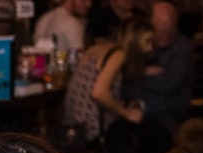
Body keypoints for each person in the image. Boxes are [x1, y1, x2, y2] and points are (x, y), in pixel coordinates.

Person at [108, 1, 193, 153]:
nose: (163, 35)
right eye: (159, 30)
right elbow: (127, 85)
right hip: (137, 111)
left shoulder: (183, 48)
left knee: (153, 139)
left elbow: (169, 85)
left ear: (176, 26)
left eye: (169, 30)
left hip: (168, 114)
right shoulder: (145, 44)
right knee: (116, 133)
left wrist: (141, 78)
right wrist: (143, 77)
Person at [62, 16, 152, 145]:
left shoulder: (100, 47)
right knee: (147, 129)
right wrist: (127, 113)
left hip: (73, 121)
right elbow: (98, 93)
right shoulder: (118, 54)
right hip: (91, 125)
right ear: (134, 40)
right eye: (147, 41)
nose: (150, 48)